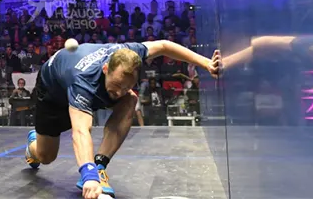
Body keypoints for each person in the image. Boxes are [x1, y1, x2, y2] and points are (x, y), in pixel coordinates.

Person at [24, 40, 220, 199]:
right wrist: (88, 176)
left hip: (86, 84)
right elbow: (81, 131)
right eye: (117, 84)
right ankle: (33, 145)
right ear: (106, 68)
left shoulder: (129, 53)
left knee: (130, 99)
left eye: (126, 86)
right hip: (52, 93)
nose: (118, 93)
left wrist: (206, 64)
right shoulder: (82, 80)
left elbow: (163, 46)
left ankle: (100, 165)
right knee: (46, 156)